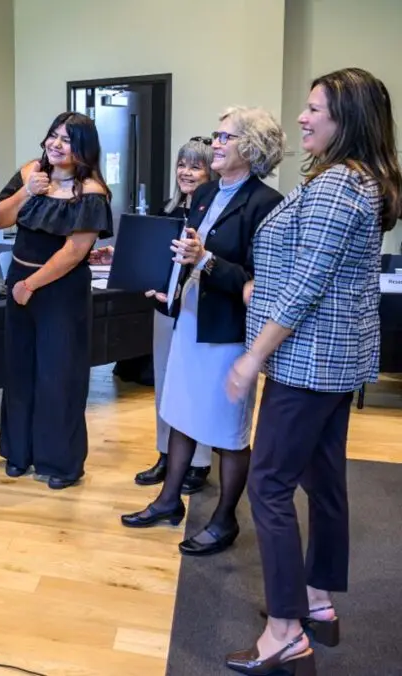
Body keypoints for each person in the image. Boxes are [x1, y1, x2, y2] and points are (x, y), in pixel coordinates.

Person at [224, 68, 401, 674]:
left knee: (269, 485)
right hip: (337, 362)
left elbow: (304, 287)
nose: (302, 118)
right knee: (323, 480)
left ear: (346, 119)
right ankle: (319, 602)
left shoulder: (335, 188)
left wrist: (253, 357)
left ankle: (283, 630)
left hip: (306, 360)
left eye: (314, 109)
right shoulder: (361, 181)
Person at [121, 106, 286, 558]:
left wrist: (206, 260)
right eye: (215, 135)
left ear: (250, 148)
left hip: (227, 331)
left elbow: (258, 281)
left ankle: (225, 519)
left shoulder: (265, 204)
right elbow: (184, 251)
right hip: (190, 316)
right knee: (180, 411)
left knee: (228, 431)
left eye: (225, 137)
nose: (215, 143)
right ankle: (169, 501)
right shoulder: (206, 192)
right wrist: (166, 286)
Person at [0, 112, 113, 489]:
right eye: (53, 136)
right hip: (18, 281)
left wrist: (31, 284)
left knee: (58, 374)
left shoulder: (92, 192)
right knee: (19, 368)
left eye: (67, 139)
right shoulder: (32, 171)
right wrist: (28, 190)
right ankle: (19, 453)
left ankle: (60, 463)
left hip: (59, 290)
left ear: (83, 150)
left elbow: (75, 251)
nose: (56, 144)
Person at [134, 137, 218, 494]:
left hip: (199, 310)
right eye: (182, 164)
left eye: (196, 165)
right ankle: (166, 455)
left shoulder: (215, 213)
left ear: (211, 171)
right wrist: (148, 281)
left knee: (195, 387)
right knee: (165, 384)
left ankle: (198, 462)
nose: (186, 171)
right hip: (164, 309)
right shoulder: (168, 210)